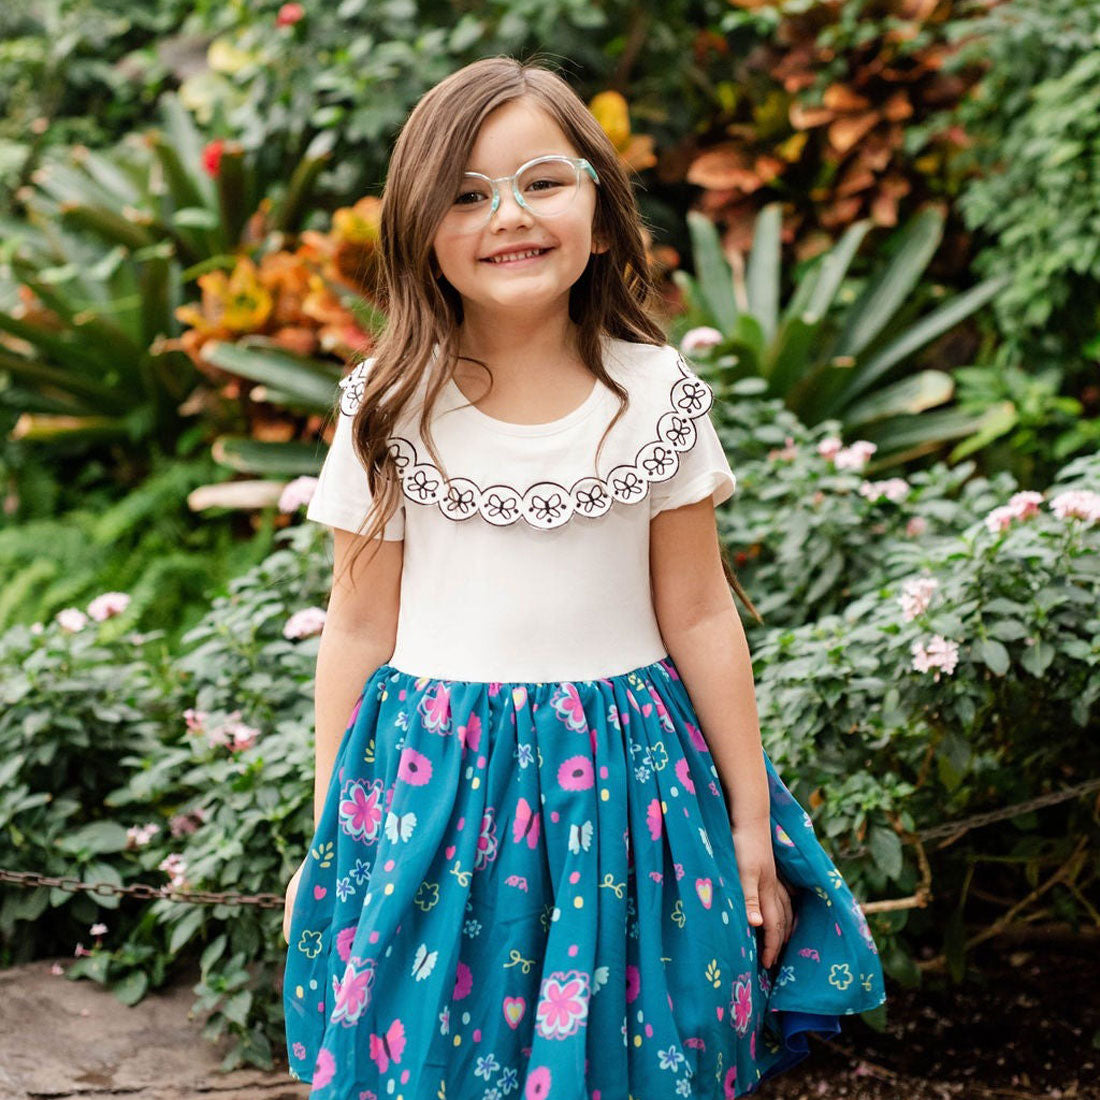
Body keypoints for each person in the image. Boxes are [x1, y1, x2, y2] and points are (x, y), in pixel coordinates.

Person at [282, 55, 886, 1100]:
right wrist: (335, 830)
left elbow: (699, 613)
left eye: (541, 182)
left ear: (601, 215)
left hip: (631, 785)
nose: (508, 215)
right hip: (438, 789)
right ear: (419, 230)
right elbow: (358, 626)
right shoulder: (387, 406)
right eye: (465, 194)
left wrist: (749, 819)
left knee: (640, 1040)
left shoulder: (653, 396)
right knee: (441, 1046)